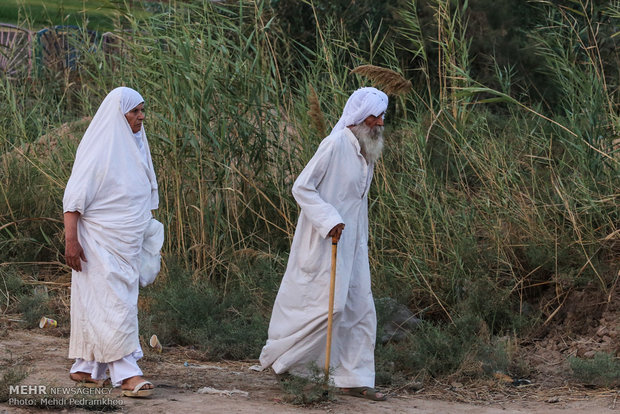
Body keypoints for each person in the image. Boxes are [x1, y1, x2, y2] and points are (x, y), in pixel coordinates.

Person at [259, 87, 389, 401]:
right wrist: (329, 219)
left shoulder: (366, 151)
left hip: (355, 243)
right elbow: (302, 187)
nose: (380, 123)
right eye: (375, 116)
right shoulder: (335, 144)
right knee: (329, 307)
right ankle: (291, 364)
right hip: (324, 239)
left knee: (360, 307)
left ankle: (353, 377)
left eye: (383, 116)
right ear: (359, 116)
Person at [63, 87, 162, 397]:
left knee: (106, 303)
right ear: (118, 115)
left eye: (142, 110)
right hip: (98, 244)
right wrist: (71, 242)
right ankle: (127, 372)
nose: (141, 116)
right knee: (115, 304)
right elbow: (73, 201)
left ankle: (87, 367)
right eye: (134, 111)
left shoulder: (134, 148)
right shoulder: (99, 151)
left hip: (126, 244)